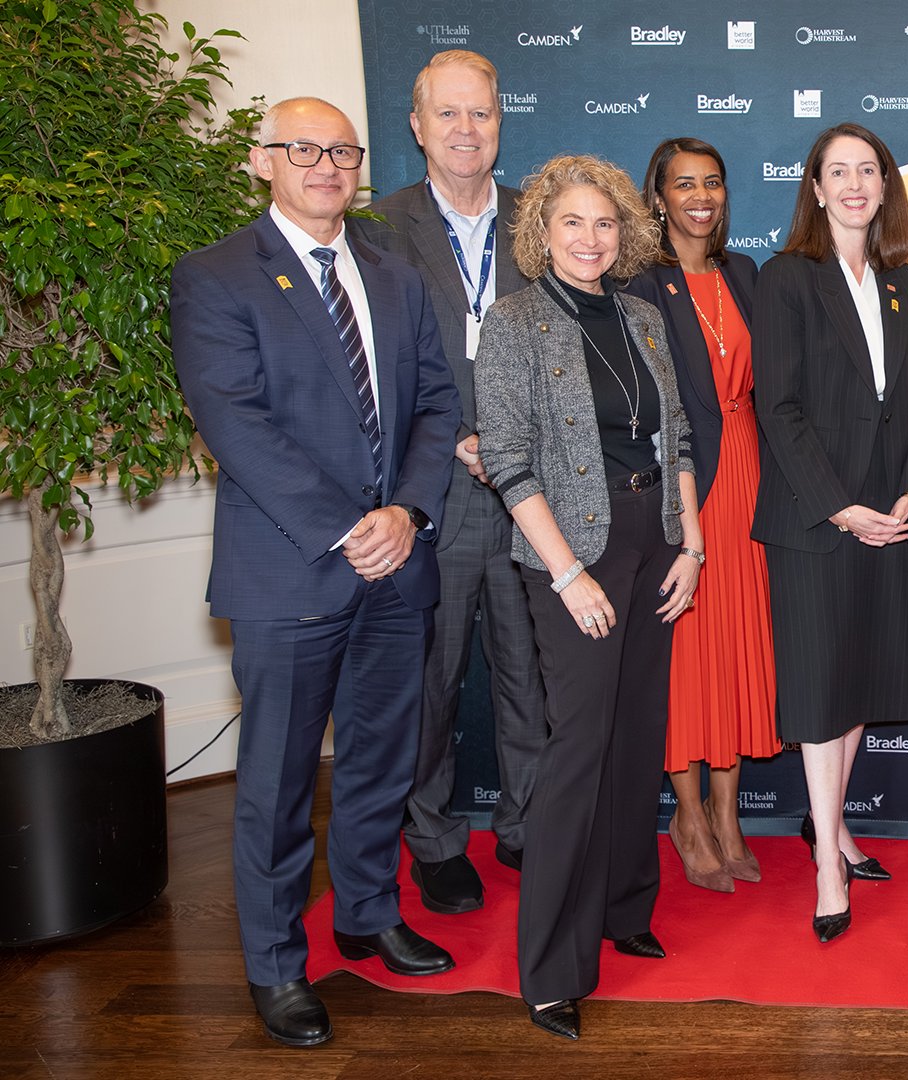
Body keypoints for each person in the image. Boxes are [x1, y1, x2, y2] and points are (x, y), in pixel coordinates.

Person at [170, 96, 461, 1048]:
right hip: (292, 572)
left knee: (383, 760)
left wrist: (408, 513)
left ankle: (368, 912)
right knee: (279, 779)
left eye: (342, 150)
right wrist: (350, 528)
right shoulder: (216, 277)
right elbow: (236, 425)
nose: (326, 165)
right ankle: (276, 965)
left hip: (396, 561)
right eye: (304, 149)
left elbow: (436, 404)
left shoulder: (395, 274)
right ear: (263, 161)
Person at [475, 154, 702, 1039]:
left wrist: (691, 543)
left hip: (654, 548)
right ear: (541, 230)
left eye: (604, 224)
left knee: (637, 735)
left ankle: (624, 909)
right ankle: (550, 968)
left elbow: (676, 434)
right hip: (572, 559)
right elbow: (508, 457)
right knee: (577, 754)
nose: (589, 238)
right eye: (572, 222)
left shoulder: (643, 317)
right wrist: (567, 574)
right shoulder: (516, 322)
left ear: (626, 233)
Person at [362, 48, 542, 914]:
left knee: (531, 673)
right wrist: (453, 441)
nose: (467, 131)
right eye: (449, 114)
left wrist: (515, 441)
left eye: (482, 113)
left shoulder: (537, 223)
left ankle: (527, 826)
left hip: (532, 495)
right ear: (417, 125)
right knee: (430, 683)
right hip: (430, 495)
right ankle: (432, 839)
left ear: (501, 120)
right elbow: (363, 369)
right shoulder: (378, 229)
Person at [752, 123, 908, 943]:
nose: (856, 184)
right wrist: (838, 506)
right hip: (816, 523)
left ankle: (831, 828)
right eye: (839, 172)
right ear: (816, 189)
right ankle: (827, 862)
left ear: (884, 187)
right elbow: (778, 407)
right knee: (823, 696)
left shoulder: (898, 281)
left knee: (857, 684)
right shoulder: (787, 277)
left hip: (885, 522)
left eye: (869, 170)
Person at [626, 137, 777, 893]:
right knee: (689, 655)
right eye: (683, 183)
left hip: (749, 478)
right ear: (658, 195)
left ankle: (729, 812)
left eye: (712, 182)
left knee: (739, 650)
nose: (700, 196)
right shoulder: (642, 283)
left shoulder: (743, 273)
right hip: (687, 483)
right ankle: (687, 816)